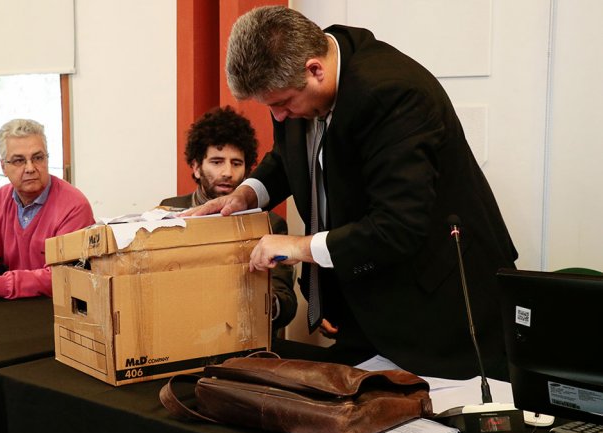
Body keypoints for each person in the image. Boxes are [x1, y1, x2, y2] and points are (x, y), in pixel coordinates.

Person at [184, 6, 518, 380]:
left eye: (281, 104)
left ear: (315, 70)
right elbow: (290, 154)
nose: (277, 117)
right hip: (369, 308)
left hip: (441, 308)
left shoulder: (393, 93)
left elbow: (397, 226)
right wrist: (247, 193)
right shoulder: (303, 71)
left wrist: (299, 246)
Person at [160, 106, 297, 334]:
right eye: (216, 162)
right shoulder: (169, 211)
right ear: (196, 167)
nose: (227, 173)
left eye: (236, 163)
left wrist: (263, 301)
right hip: (182, 335)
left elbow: (286, 303)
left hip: (246, 340)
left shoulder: (269, 223)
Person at [0, 119, 94, 299]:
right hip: (15, 307)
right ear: (3, 167)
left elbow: (64, 277)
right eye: (19, 161)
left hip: (58, 309)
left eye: (38, 158)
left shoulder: (74, 206)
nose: (30, 168)